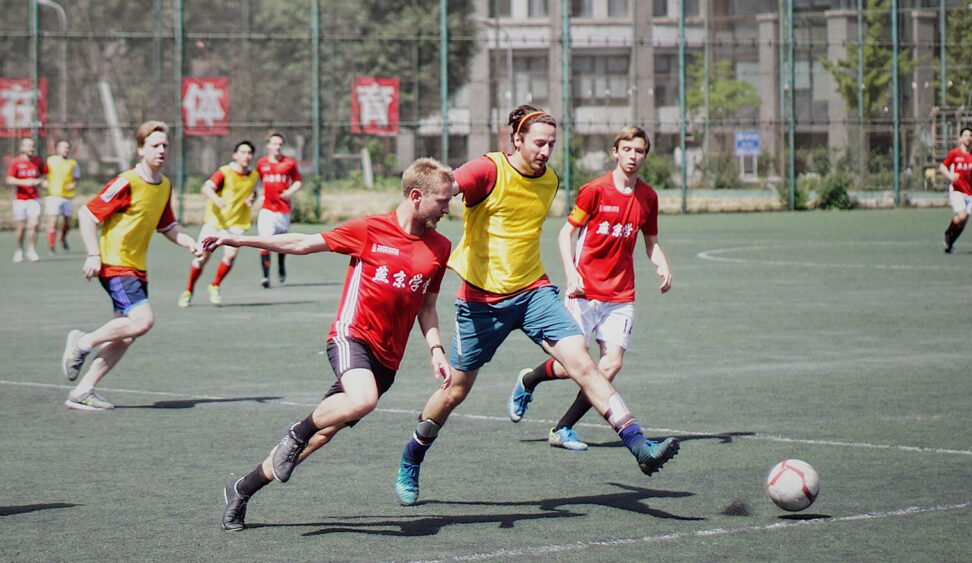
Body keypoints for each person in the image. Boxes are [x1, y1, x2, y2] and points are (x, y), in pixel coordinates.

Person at [393, 105, 680, 507]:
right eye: (538, 143)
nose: (545, 151)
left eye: (551, 144)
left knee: (583, 363)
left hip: (533, 292)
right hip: (481, 301)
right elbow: (441, 190)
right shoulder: (487, 170)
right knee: (455, 390)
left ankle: (638, 445)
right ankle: (412, 456)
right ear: (517, 140)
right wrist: (408, 227)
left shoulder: (550, 181)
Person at [209, 158, 454, 532]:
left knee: (324, 433)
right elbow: (302, 242)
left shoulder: (440, 247)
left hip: (387, 360)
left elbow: (428, 307)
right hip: (351, 336)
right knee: (361, 401)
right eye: (442, 200)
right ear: (416, 196)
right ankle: (296, 432)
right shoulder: (370, 229)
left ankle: (242, 489)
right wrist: (239, 240)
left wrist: (436, 350)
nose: (447, 208)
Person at [514, 126, 673, 451]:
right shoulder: (595, 190)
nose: (633, 156)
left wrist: (662, 264)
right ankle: (529, 379)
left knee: (610, 365)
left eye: (639, 151)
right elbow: (565, 234)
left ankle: (563, 427)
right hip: (584, 292)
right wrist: (571, 272)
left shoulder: (648, 197)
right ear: (615, 152)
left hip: (621, 295)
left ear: (645, 155)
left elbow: (651, 242)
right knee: (571, 367)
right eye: (626, 149)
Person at [60, 121, 203, 411]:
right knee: (143, 321)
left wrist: (189, 243)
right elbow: (87, 214)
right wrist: (93, 254)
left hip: (136, 268)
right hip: (115, 263)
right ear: (140, 149)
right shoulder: (126, 182)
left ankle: (83, 390)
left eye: (165, 145)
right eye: (154, 145)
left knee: (126, 335)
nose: (161, 150)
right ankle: (82, 342)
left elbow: (167, 226)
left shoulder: (164, 185)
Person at [178, 140, 259, 307]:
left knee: (231, 255)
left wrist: (251, 199)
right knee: (202, 257)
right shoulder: (224, 172)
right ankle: (188, 290)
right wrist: (217, 199)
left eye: (249, 153)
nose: (246, 156)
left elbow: (253, 192)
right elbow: (206, 188)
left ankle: (215, 286)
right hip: (215, 223)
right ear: (235, 155)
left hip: (235, 223)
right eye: (243, 152)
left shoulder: (254, 176)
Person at [254, 131, 302, 287]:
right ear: (268, 145)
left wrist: (289, 192)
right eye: (274, 144)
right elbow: (256, 182)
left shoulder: (289, 163)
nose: (277, 147)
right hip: (267, 209)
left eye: (280, 144)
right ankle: (265, 276)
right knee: (265, 240)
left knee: (281, 243)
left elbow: (297, 181)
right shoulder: (261, 163)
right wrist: (258, 195)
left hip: (283, 210)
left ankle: (281, 265)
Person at [939, 127, 972, 254]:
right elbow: (942, 166)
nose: (968, 138)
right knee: (962, 215)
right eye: (965, 135)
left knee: (963, 222)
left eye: (970, 135)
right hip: (956, 190)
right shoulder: (954, 153)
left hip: (969, 192)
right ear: (960, 138)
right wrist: (950, 175)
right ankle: (947, 234)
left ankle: (949, 244)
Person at [6, 137, 47, 263]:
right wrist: (25, 182)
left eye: (32, 146)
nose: (31, 149)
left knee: (34, 224)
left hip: (34, 199)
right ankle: (19, 250)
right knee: (21, 227)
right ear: (22, 148)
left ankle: (31, 250)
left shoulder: (37, 161)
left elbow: (43, 175)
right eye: (29, 146)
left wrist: (42, 182)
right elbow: (9, 179)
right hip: (20, 199)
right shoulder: (16, 162)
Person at [44, 139, 80, 256]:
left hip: (67, 196)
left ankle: (62, 238)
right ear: (58, 149)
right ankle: (51, 246)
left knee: (67, 223)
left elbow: (76, 178)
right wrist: (44, 182)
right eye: (64, 147)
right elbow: (43, 174)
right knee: (53, 222)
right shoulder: (50, 160)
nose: (66, 150)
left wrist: (73, 184)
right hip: (53, 195)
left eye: (67, 148)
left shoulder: (72, 163)